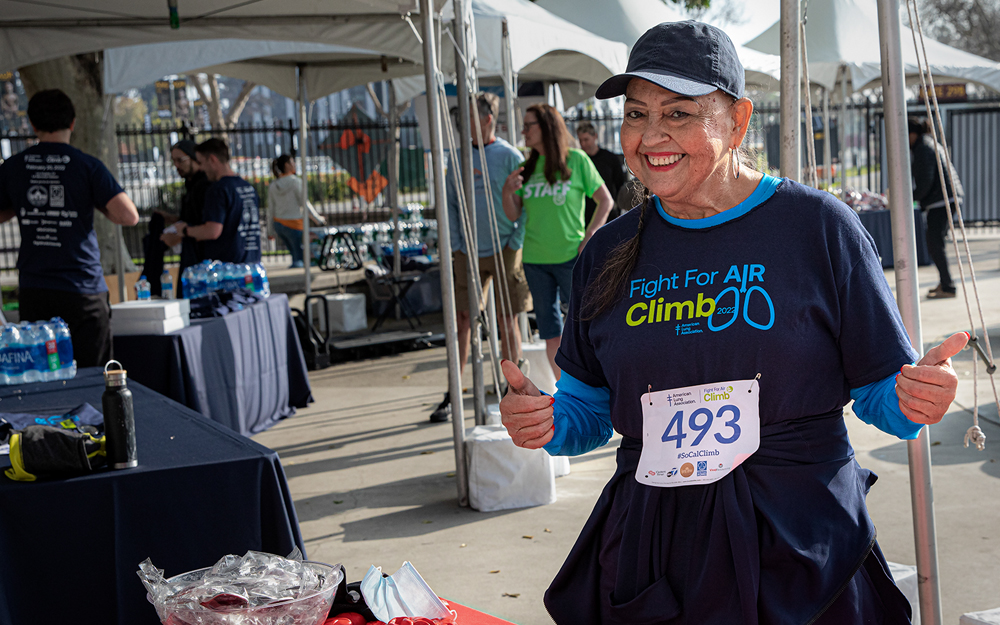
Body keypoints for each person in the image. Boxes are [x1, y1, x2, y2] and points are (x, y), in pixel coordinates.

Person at [499, 21, 966, 625]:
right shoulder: (607, 251)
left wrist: (917, 398)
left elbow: (883, 395)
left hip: (798, 534)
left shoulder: (818, 228)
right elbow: (587, 414)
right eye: (636, 114)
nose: (651, 136)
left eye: (681, 114)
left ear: (738, 121)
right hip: (657, 540)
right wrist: (543, 422)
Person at [0, 89, 139, 367]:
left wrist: (26, 205)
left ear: (32, 124)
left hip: (36, 289)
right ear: (73, 123)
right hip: (82, 290)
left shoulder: (13, 167)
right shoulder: (87, 166)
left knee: (43, 376)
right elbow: (128, 216)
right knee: (93, 376)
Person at [428, 92, 531, 424]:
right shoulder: (457, 158)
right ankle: (454, 391)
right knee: (462, 321)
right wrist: (459, 244)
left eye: (469, 117)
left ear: (488, 119)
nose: (462, 125)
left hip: (503, 249)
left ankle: (511, 387)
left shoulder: (509, 155)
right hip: (467, 252)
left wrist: (514, 241)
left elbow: (526, 204)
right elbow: (450, 203)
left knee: (506, 320)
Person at [501, 103, 614, 380]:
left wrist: (589, 237)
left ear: (547, 127)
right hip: (535, 261)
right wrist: (507, 192)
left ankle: (595, 384)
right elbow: (514, 214)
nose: (523, 131)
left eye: (529, 125)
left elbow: (605, 201)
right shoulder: (524, 168)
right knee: (551, 331)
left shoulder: (576, 159)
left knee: (585, 326)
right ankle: (567, 393)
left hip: (570, 258)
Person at [173, 138, 261, 265]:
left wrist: (186, 230)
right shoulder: (247, 187)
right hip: (251, 263)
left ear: (212, 160)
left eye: (201, 162)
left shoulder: (217, 190)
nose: (201, 168)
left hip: (227, 270)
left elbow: (212, 231)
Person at [909, 116, 963, 299]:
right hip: (945, 197)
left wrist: (909, 198)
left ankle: (948, 286)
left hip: (941, 200)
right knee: (935, 243)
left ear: (912, 134)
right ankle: (945, 282)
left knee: (935, 243)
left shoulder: (924, 148)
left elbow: (925, 183)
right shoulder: (928, 143)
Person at [157, 139, 210, 296]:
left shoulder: (204, 185)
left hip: (202, 259)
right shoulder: (191, 184)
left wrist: (180, 235)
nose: (177, 166)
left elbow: (205, 223)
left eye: (180, 160)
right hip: (190, 256)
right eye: (174, 161)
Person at [266, 154, 325, 269]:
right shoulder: (295, 182)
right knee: (299, 257)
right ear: (287, 165)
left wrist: (270, 231)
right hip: (294, 225)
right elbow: (305, 203)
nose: (295, 165)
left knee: (295, 255)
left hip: (279, 224)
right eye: (293, 162)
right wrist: (318, 219)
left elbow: (270, 210)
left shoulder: (273, 186)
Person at [577, 121, 627, 225]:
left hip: (608, 213)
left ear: (595, 136)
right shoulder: (578, 161)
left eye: (586, 139)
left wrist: (618, 208)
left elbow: (620, 184)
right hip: (584, 214)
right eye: (580, 140)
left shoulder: (610, 158)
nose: (583, 144)